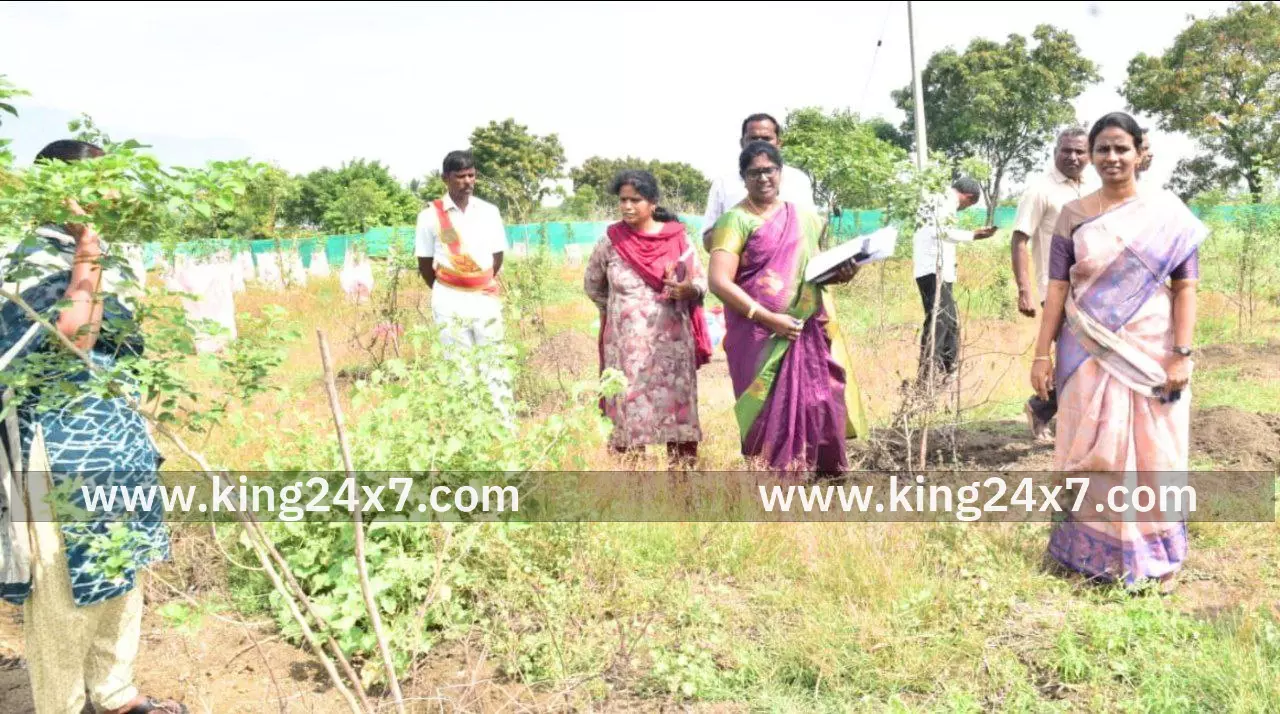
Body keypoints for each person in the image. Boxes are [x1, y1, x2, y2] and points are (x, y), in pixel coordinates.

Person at [0, 140, 187, 714]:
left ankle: (114, 692)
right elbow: (73, 341)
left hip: (111, 437)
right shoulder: (28, 260)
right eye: (102, 184)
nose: (116, 195)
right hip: (53, 448)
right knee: (62, 588)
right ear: (64, 193)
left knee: (120, 567)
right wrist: (88, 245)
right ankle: (61, 703)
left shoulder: (102, 257)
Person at [1030, 112, 1206, 591]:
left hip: (1152, 348)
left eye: (1121, 148)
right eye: (1102, 148)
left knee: (1156, 450)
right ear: (1090, 153)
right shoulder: (1073, 215)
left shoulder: (1168, 213)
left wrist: (1182, 353)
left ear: (1139, 152)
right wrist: (1041, 353)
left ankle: (1159, 558)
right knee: (1086, 442)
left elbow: (1186, 287)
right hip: (1086, 346)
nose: (1111, 158)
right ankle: (1088, 552)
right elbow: (1057, 288)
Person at [706, 141, 867, 475]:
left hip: (804, 328)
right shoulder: (734, 221)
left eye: (769, 170)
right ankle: (774, 480)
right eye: (754, 173)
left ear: (780, 173)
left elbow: (814, 274)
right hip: (757, 334)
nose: (763, 178)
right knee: (767, 409)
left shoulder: (806, 218)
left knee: (819, 398)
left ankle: (820, 474)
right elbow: (719, 281)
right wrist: (768, 318)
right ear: (743, 178)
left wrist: (845, 274)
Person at [583, 170, 711, 467]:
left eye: (635, 200)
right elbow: (593, 286)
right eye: (623, 200)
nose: (627, 206)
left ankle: (682, 487)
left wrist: (687, 290)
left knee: (677, 416)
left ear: (652, 203)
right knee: (630, 414)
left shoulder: (678, 239)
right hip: (627, 351)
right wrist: (623, 314)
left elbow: (702, 282)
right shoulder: (611, 241)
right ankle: (637, 490)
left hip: (672, 350)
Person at [415, 150, 513, 420]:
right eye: (460, 177)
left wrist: (476, 282)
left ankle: (503, 425)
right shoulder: (429, 216)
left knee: (493, 362)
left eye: (471, 175)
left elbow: (497, 256)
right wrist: (451, 287)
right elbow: (424, 264)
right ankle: (468, 427)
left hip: (484, 297)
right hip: (448, 299)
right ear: (445, 178)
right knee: (459, 366)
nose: (467, 181)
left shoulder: (489, 212)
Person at [1011, 127, 1093, 439]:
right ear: (1055, 151)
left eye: (1080, 151)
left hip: (1090, 285)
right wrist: (1025, 289)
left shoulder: (1094, 185)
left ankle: (1046, 409)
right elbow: (1019, 240)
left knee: (1086, 353)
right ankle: (1045, 409)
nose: (1073, 157)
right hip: (1055, 287)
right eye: (1066, 150)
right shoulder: (1040, 190)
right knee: (1077, 353)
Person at [912, 177, 997, 384]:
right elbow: (942, 231)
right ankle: (927, 377)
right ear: (969, 198)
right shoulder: (944, 201)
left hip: (935, 270)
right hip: (934, 270)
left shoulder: (937, 199)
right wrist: (973, 235)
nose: (963, 209)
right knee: (939, 321)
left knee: (948, 321)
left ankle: (947, 371)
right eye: (968, 206)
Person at [701, 113, 817, 249]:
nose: (760, 143)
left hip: (790, 267)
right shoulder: (723, 183)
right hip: (740, 267)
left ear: (778, 143)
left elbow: (812, 232)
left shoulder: (799, 180)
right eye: (753, 139)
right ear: (742, 143)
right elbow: (708, 242)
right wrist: (741, 223)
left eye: (767, 139)